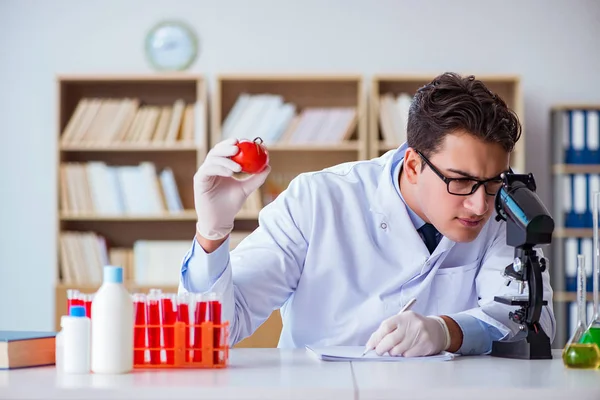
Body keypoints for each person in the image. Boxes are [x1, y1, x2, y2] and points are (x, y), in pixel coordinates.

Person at [179, 72, 555, 357]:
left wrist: (448, 330)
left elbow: (534, 320)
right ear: (412, 166)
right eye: (460, 181)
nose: (480, 205)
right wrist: (212, 233)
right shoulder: (317, 200)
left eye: (492, 183)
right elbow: (214, 334)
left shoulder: (502, 209)